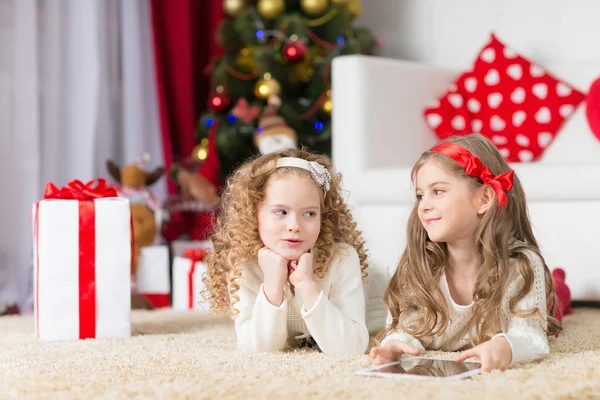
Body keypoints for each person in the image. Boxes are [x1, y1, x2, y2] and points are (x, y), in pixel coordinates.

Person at [370, 134, 561, 372]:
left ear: (484, 198)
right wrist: (395, 346)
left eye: (437, 191)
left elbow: (531, 336)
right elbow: (405, 329)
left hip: (529, 287)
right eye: (420, 195)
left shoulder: (520, 264)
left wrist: (504, 347)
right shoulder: (421, 263)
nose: (424, 205)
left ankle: (559, 284)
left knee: (557, 304)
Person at [203, 148, 369, 356]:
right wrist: (272, 285)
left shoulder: (342, 258)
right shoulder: (243, 264)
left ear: (323, 216)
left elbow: (350, 349)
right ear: (254, 215)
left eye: (309, 213)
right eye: (280, 212)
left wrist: (307, 286)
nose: (294, 226)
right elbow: (258, 349)